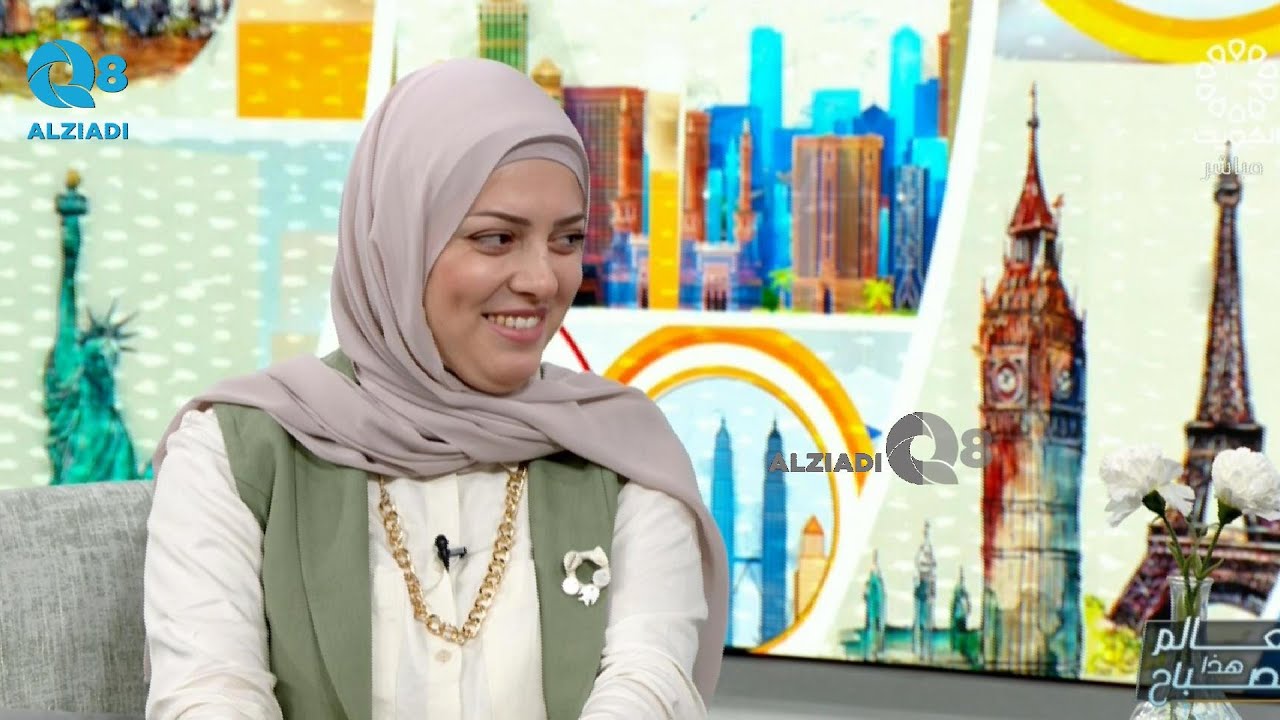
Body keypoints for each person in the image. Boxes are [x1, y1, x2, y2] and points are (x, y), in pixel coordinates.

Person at [141, 58, 729, 720]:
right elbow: (210, 697)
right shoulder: (230, 451)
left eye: (566, 240)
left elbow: (649, 682)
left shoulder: (626, 452)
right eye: (496, 238)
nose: (542, 280)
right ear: (397, 242)